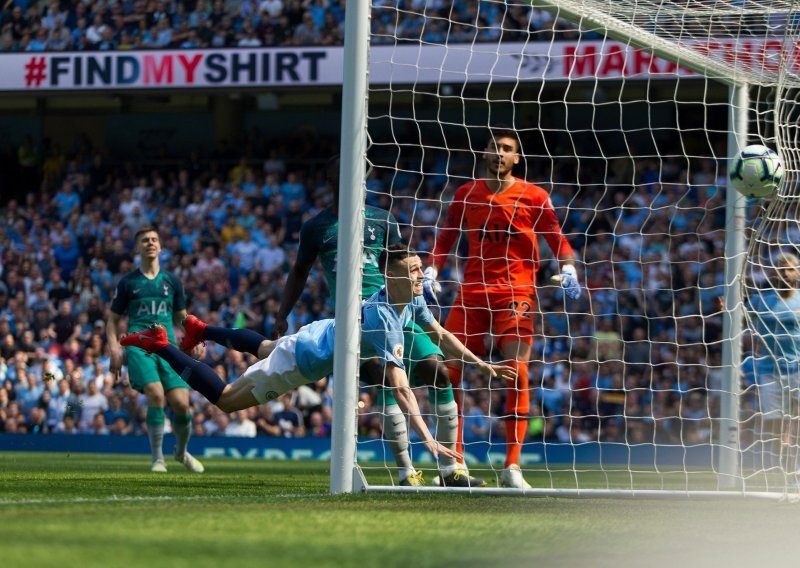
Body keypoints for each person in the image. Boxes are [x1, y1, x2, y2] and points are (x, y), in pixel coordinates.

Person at [121, 246, 517, 476]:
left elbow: (440, 335)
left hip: (319, 332)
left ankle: (201, 329)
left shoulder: (410, 299)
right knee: (226, 398)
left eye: (418, 269)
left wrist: (479, 364)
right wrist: (427, 437)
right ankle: (161, 345)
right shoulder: (383, 320)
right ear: (390, 274)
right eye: (413, 270)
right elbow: (400, 386)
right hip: (306, 359)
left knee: (263, 347)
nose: (420, 276)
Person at [275, 156, 483, 487]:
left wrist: (419, 281)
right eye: (349, 176)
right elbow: (299, 272)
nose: (359, 182)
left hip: (400, 308)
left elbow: (400, 259)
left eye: (362, 177)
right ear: (333, 182)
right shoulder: (316, 228)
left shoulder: (382, 219)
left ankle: (451, 470)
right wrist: (281, 315)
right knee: (388, 382)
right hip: (359, 321)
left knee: (439, 372)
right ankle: (406, 472)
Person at [426, 126, 582, 489]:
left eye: (507, 149)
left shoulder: (534, 196)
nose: (500, 153)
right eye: (495, 147)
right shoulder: (466, 194)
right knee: (447, 374)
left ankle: (512, 467)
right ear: (484, 153)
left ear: (517, 158)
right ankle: (454, 465)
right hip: (472, 294)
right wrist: (433, 266)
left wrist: (569, 267)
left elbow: (557, 239)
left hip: (516, 294)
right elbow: (446, 236)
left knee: (518, 371)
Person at [107, 226, 204, 474]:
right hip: (140, 346)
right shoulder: (128, 282)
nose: (150, 243)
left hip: (169, 346)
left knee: (182, 404)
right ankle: (157, 459)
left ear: (160, 247)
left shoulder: (172, 281)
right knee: (156, 393)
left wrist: (197, 339)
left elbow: (183, 317)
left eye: (154, 240)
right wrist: (115, 350)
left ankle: (181, 453)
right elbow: (112, 319)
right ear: (137, 248)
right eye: (145, 240)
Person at [746, 252, 800, 471]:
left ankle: (792, 453)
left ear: (797, 272)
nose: (786, 273)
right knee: (774, 419)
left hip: (797, 366)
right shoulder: (760, 299)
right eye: (781, 269)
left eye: (790, 268)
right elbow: (739, 317)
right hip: (769, 368)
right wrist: (725, 311)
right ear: (773, 272)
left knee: (796, 415)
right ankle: (781, 455)